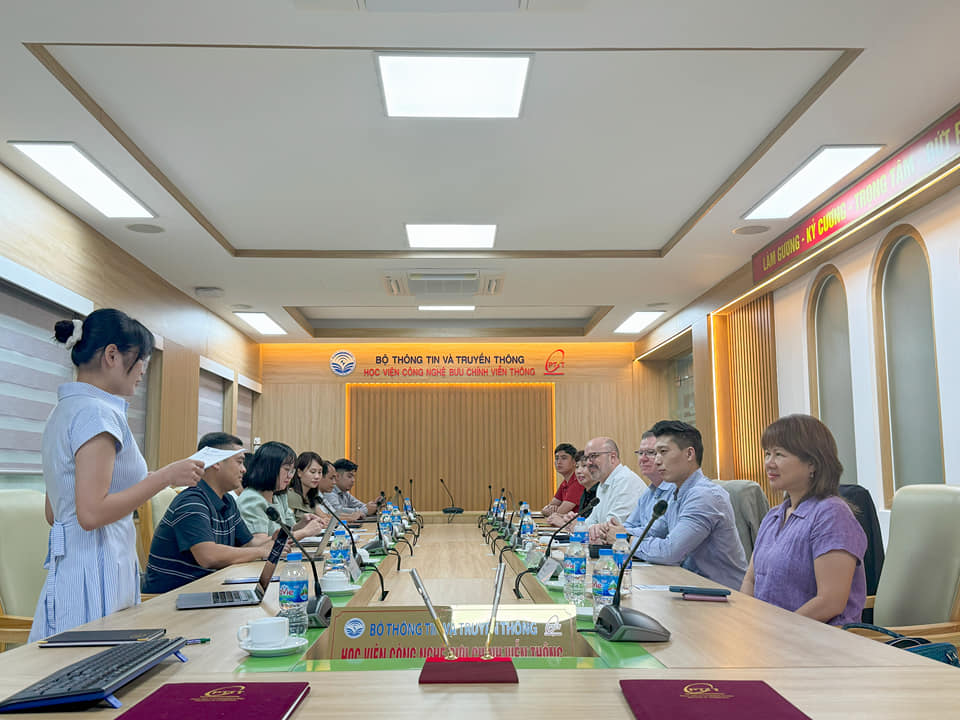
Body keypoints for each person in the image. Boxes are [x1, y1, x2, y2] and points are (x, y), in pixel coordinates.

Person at [29, 309, 204, 641]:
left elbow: (56, 512)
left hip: (74, 570)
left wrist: (158, 477)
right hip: (97, 570)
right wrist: (165, 477)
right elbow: (91, 513)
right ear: (112, 355)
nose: (143, 371)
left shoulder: (63, 411)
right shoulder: (97, 413)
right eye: (141, 361)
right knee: (99, 663)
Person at [741, 415, 867, 625]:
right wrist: (745, 621)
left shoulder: (832, 514)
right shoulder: (774, 516)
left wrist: (775, 631)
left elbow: (830, 602)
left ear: (812, 464)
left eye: (779, 454)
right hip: (770, 634)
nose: (769, 463)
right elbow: (750, 580)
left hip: (818, 638)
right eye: (767, 454)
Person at [142, 433, 280, 594]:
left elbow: (247, 543)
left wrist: (273, 542)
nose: (244, 469)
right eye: (239, 462)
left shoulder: (227, 500)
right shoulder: (191, 501)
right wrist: (261, 551)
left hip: (207, 589)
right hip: (171, 598)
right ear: (217, 463)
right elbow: (208, 556)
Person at [633, 420, 747, 589]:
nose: (656, 461)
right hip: (689, 585)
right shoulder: (676, 493)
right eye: (655, 453)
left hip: (721, 594)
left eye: (663, 452)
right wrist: (615, 533)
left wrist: (627, 541)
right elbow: (655, 531)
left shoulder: (704, 496)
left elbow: (670, 552)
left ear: (689, 454)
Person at [590, 431, 675, 543]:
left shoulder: (676, 491)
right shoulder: (649, 492)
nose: (643, 459)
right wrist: (610, 530)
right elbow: (629, 525)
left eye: (650, 453)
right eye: (640, 453)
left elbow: (657, 534)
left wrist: (622, 534)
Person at [236, 441, 324, 540]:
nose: (290, 476)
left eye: (292, 471)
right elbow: (260, 542)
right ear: (269, 468)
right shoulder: (251, 499)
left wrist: (302, 525)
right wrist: (304, 532)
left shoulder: (279, 496)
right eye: (287, 469)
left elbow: (287, 532)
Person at [559, 437, 645, 529]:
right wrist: (577, 523)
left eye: (593, 456)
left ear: (612, 457)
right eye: (587, 458)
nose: (588, 463)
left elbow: (612, 527)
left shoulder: (626, 481)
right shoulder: (602, 484)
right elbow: (593, 521)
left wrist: (580, 527)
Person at [548, 450, 596, 527]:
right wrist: (565, 517)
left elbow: (593, 527)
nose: (579, 471)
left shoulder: (599, 492)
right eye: (577, 467)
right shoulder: (586, 492)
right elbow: (582, 520)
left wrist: (563, 523)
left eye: (584, 466)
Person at [288, 451, 333, 524]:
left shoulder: (311, 497)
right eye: (312, 472)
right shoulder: (291, 496)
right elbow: (290, 526)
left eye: (319, 472)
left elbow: (324, 517)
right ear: (299, 472)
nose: (317, 477)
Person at [540, 443, 582, 520]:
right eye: (556, 458)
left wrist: (553, 511)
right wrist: (547, 510)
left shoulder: (578, 481)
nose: (559, 462)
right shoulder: (565, 483)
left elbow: (560, 512)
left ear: (574, 462)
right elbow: (548, 507)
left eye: (564, 458)